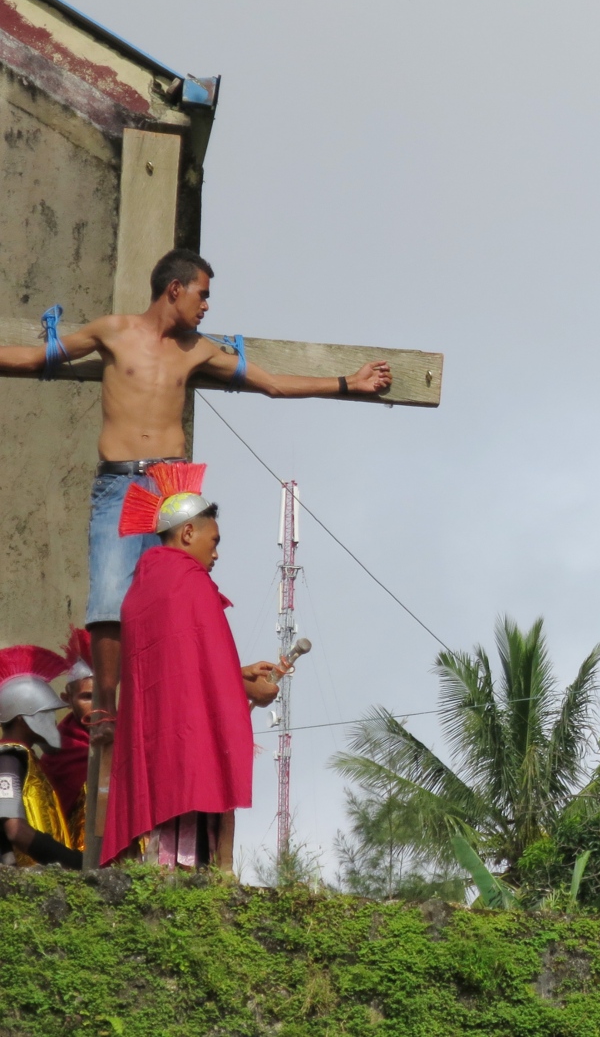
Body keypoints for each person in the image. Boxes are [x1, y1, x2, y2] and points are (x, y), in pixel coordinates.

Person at [0, 248, 388, 760]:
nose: (207, 306)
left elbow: (271, 383)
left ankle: (174, 701)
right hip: (121, 484)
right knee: (111, 600)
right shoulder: (112, 331)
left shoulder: (198, 349)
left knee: (179, 604)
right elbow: (36, 356)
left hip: (173, 487)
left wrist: (347, 384)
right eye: (202, 294)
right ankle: (108, 711)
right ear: (175, 289)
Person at [100, 463, 283, 868]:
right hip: (188, 758)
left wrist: (237, 673)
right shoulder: (192, 583)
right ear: (187, 533)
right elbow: (204, 679)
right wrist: (251, 689)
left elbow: (175, 672)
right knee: (192, 870)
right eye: (213, 541)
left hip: (152, 752)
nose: (215, 554)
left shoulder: (140, 592)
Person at [0, 645, 82, 869]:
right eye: (45, 713)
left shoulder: (25, 757)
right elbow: (15, 829)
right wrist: (72, 861)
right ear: (21, 718)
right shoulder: (8, 760)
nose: (53, 721)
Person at [37, 629, 94, 849]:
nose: (95, 704)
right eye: (87, 697)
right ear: (67, 699)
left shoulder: (122, 739)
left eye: (101, 695)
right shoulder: (59, 748)